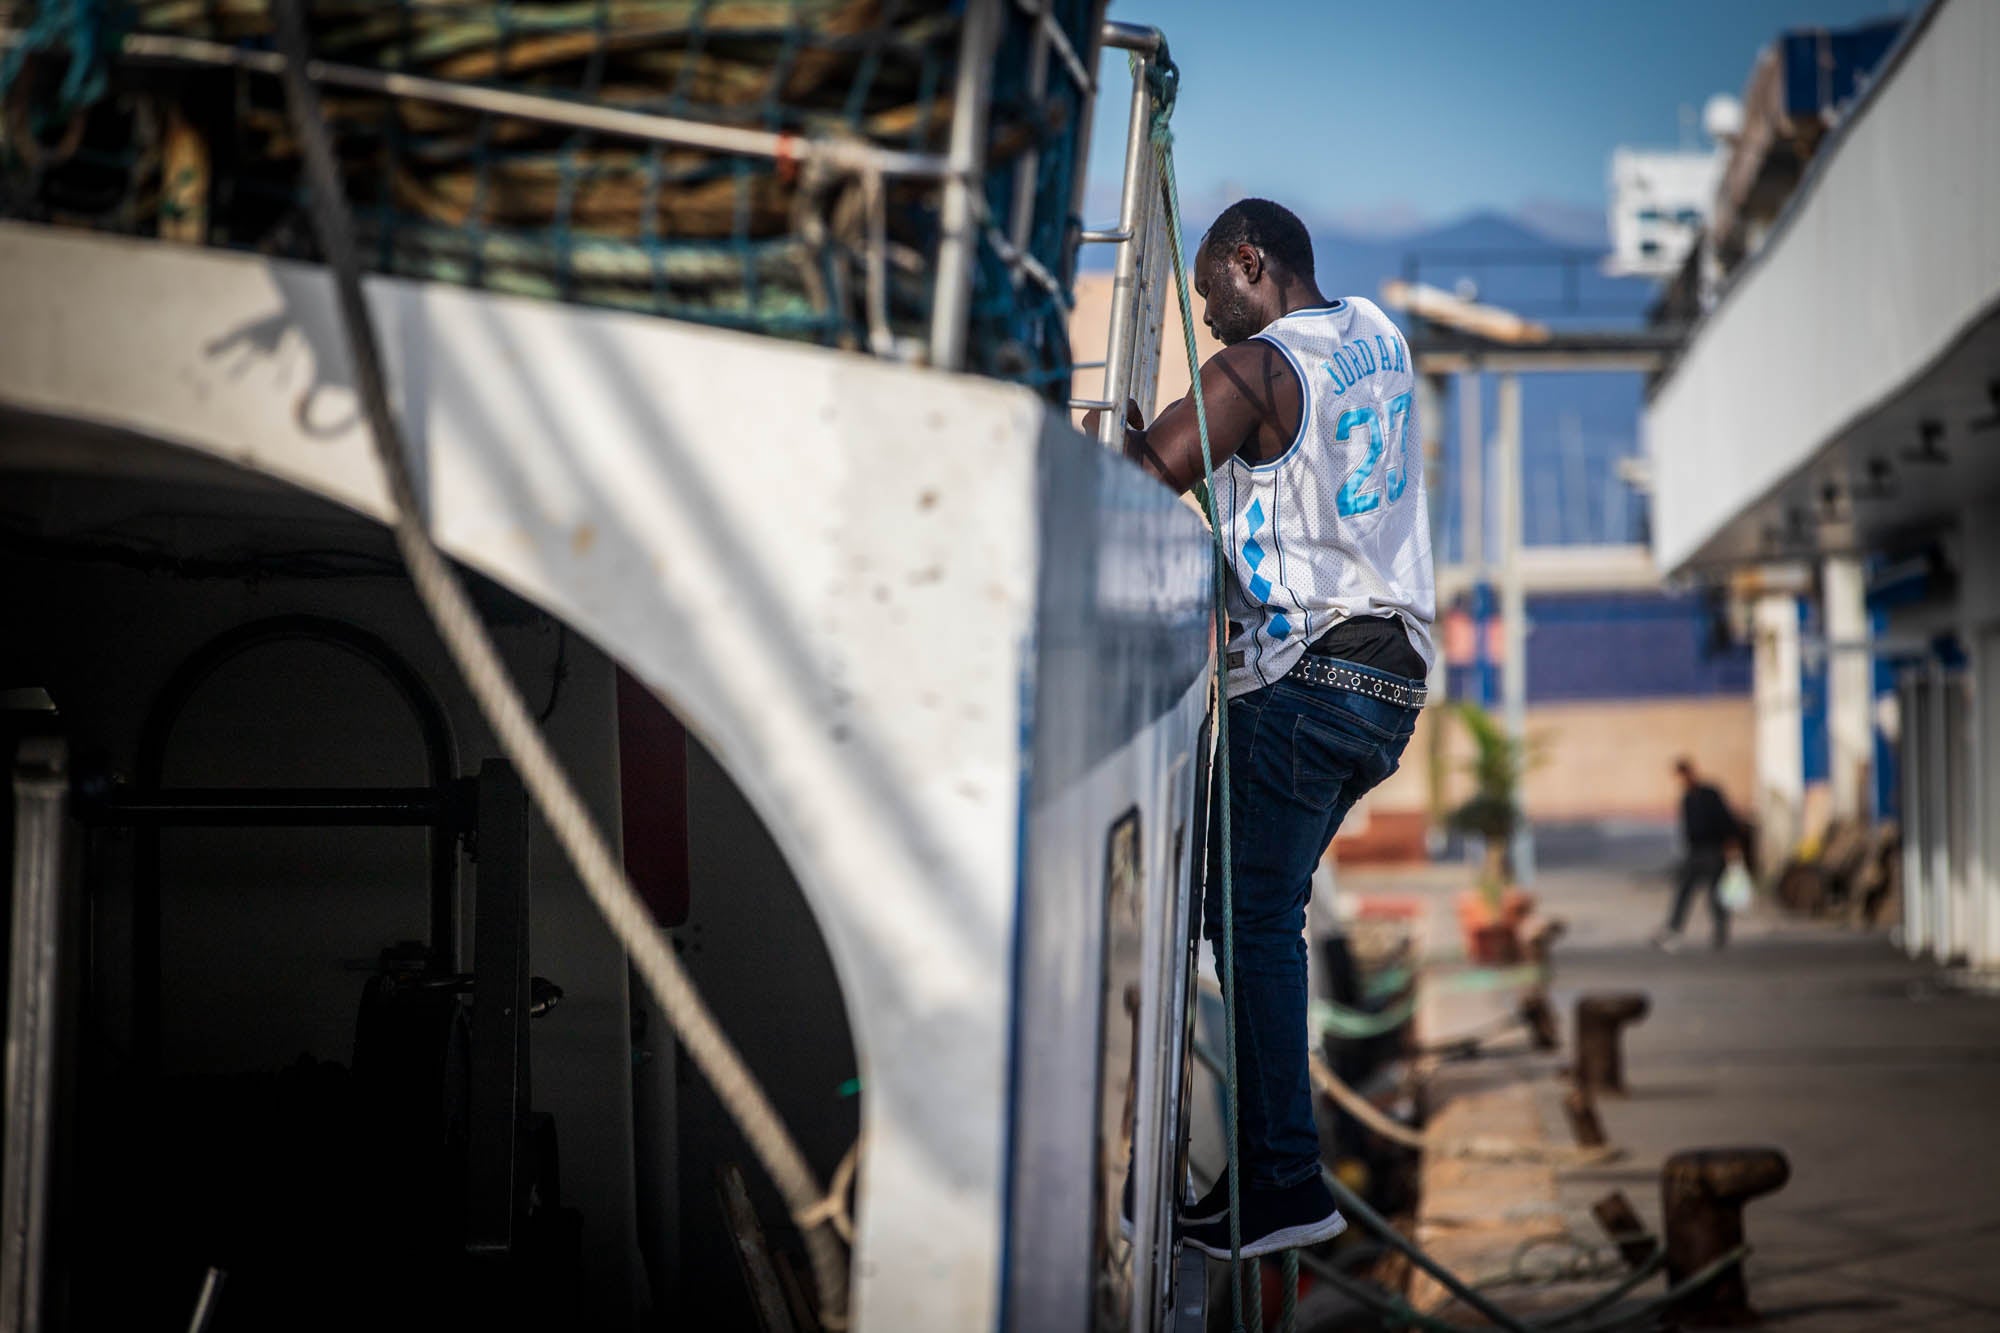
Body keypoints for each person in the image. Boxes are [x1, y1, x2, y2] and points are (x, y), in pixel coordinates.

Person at [1087, 199, 1435, 1259]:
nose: (1211, 324)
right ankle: (1264, 1172)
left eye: (1209, 299)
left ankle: (1281, 1182)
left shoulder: (1254, 370)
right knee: (1225, 906)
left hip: (1305, 676)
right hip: (1389, 676)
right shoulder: (1375, 331)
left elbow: (1146, 475)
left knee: (1245, 922)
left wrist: (1103, 440)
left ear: (1249, 262)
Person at [1653, 758, 1741, 951]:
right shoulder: (1687, 798)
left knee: (1715, 894)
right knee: (1683, 892)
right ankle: (1673, 929)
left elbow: (1725, 819)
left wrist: (1730, 845)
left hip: (1713, 850)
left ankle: (1720, 931)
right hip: (1695, 852)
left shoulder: (1710, 794)